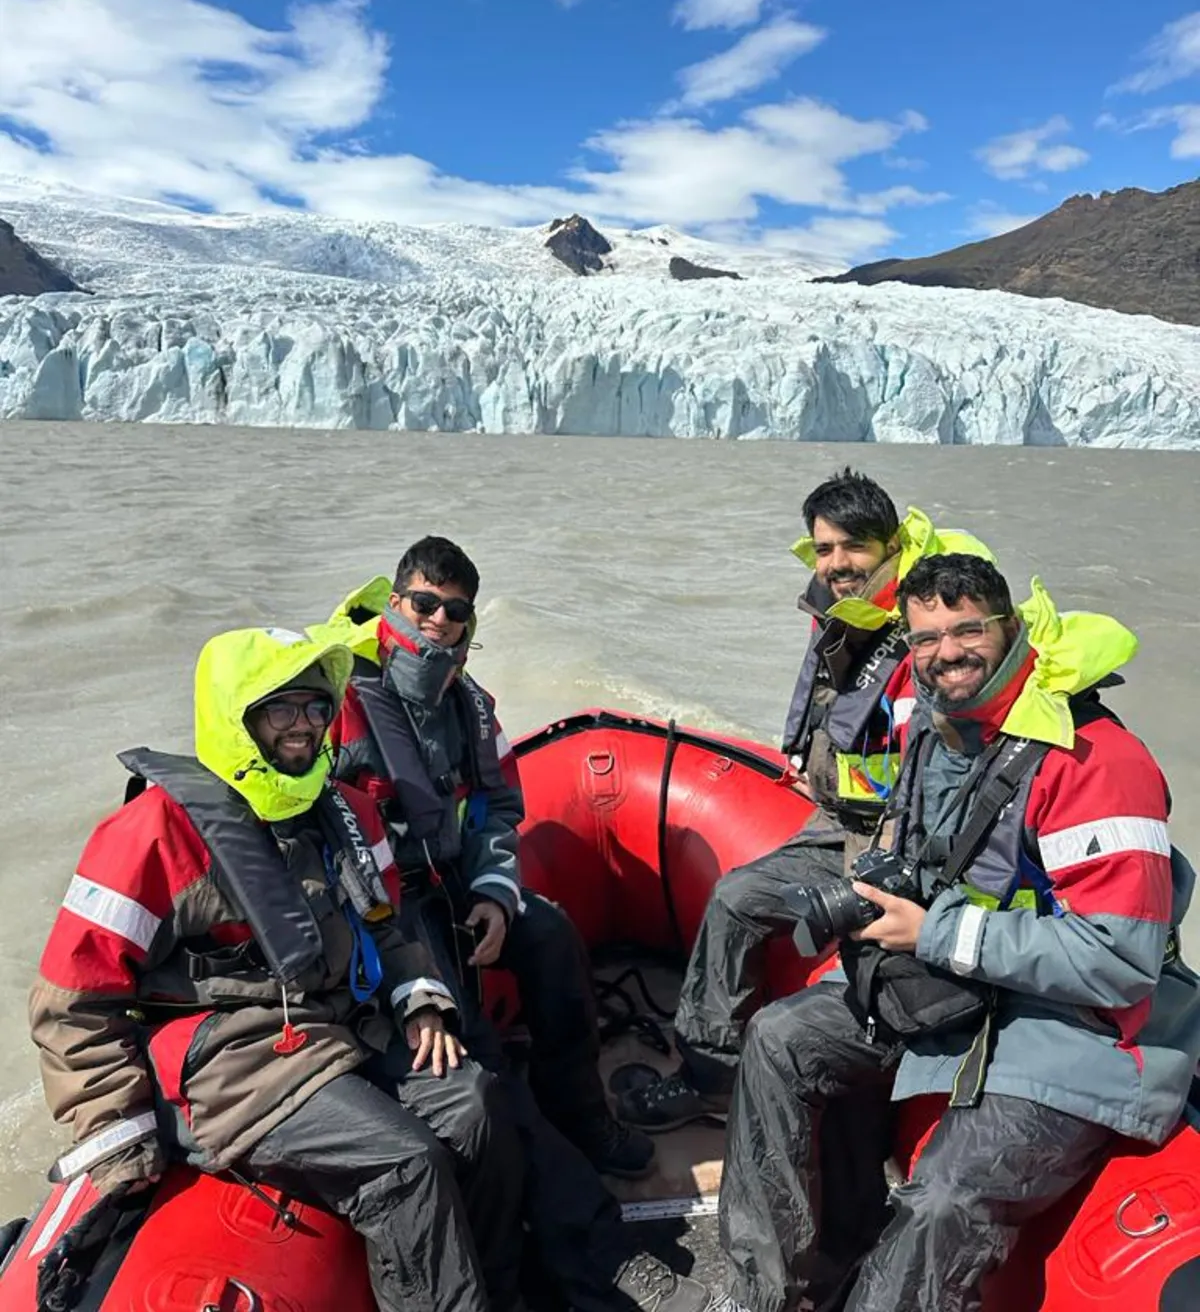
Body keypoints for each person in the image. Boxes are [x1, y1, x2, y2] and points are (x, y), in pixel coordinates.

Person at [710, 553, 1200, 1312]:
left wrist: (937, 933)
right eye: (925, 638)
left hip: (1076, 1026)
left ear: (1009, 627)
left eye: (967, 629)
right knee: (779, 1040)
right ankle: (765, 1293)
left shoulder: (1097, 760)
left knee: (942, 1198)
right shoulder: (942, 735)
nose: (946, 653)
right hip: (959, 989)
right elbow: (920, 858)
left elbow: (1122, 961)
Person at [29, 626, 524, 1312]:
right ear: (240, 717)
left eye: (316, 709)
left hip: (339, 1030)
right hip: (236, 1067)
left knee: (475, 1105)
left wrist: (421, 998)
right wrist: (121, 1135)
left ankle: (502, 1292)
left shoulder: (344, 812)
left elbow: (392, 922)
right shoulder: (156, 833)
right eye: (281, 710)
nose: (304, 727)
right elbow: (69, 1000)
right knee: (406, 1165)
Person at [317, 539, 711, 1312]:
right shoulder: (337, 705)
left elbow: (498, 810)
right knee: (479, 1066)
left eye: (454, 612)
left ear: (469, 624)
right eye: (422, 604)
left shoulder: (472, 706)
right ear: (393, 602)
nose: (436, 622)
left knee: (552, 935)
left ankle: (582, 1114)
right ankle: (584, 1235)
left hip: (458, 887)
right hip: (387, 907)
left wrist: (497, 897)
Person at [621, 470, 990, 1132]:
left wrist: (882, 858)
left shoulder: (925, 635)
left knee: (740, 899)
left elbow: (936, 772)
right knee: (735, 897)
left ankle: (722, 1076)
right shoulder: (848, 615)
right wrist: (813, 772)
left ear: (892, 543)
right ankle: (712, 1074)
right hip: (840, 821)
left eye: (853, 546)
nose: (837, 563)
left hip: (884, 844)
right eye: (823, 549)